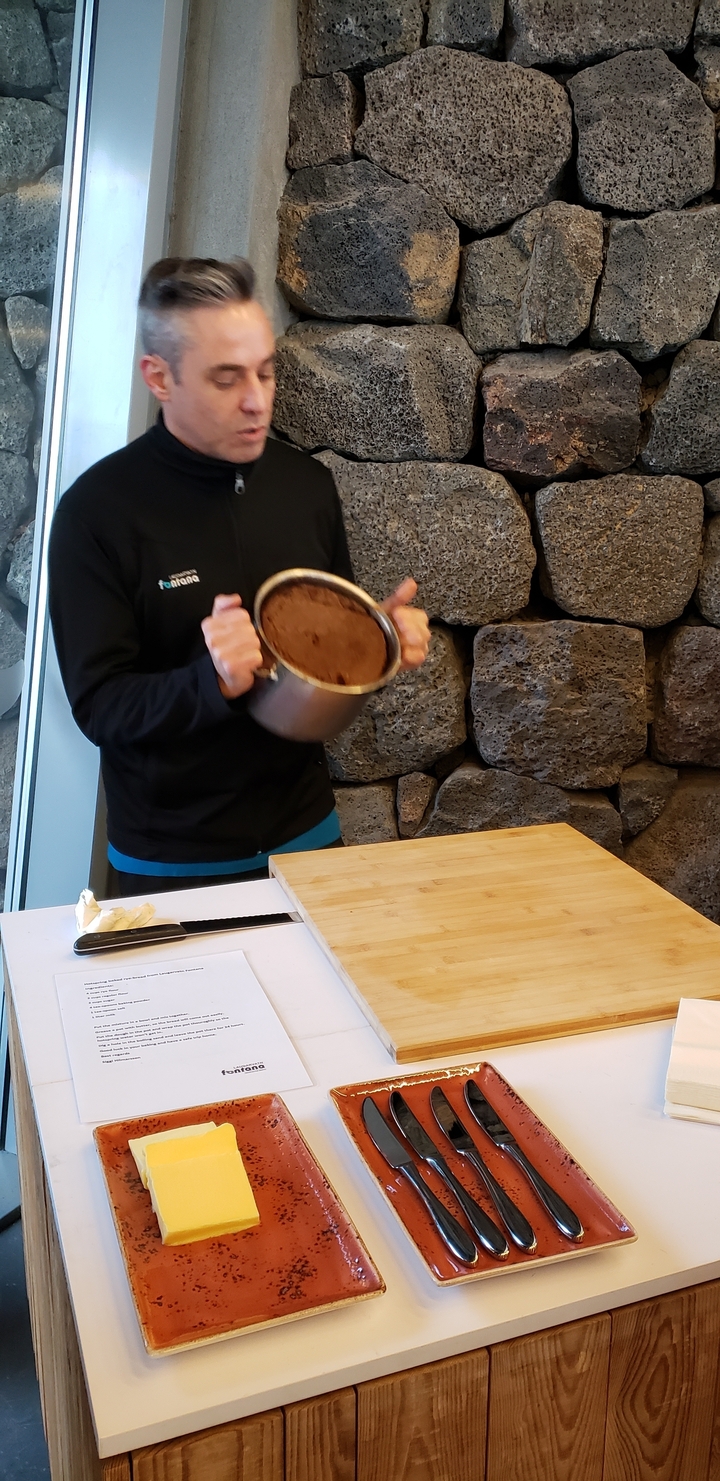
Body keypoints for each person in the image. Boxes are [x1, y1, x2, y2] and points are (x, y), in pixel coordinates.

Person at [48, 257, 430, 895]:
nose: (257, 400)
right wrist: (211, 682)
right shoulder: (98, 513)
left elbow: (317, 676)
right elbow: (100, 707)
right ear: (159, 377)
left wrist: (378, 643)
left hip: (309, 844)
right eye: (226, 378)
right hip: (170, 865)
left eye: (265, 371)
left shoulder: (306, 486)